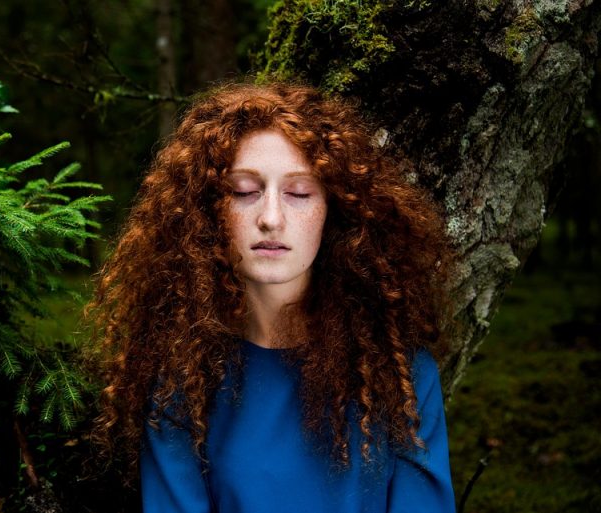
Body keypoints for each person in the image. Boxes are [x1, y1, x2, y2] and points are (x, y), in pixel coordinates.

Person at [88, 82, 456, 512]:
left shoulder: (403, 377)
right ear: (208, 211)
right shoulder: (181, 380)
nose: (271, 218)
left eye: (299, 193)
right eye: (244, 191)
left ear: (334, 210)